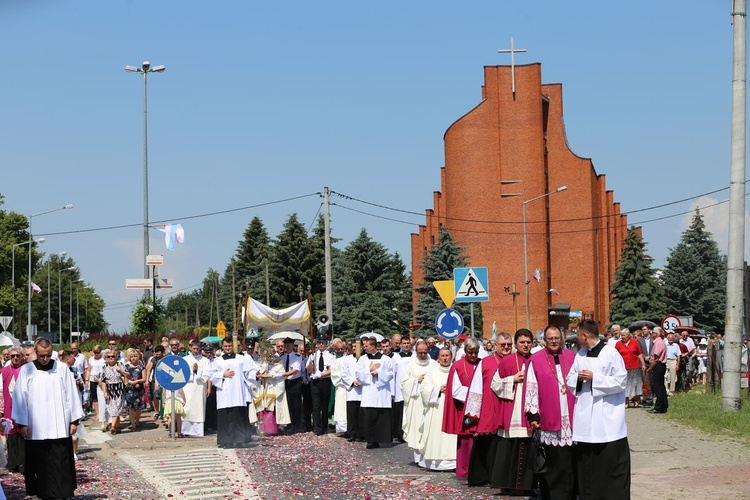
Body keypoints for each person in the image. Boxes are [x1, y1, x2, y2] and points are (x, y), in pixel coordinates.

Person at [12, 339, 85, 499]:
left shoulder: (62, 369)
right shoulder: (27, 371)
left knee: (60, 462)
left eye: (48, 355)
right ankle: (42, 492)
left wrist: (73, 421)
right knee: (40, 463)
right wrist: (23, 424)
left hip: (59, 426)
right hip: (36, 428)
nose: (45, 359)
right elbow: (20, 398)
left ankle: (62, 493)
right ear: (36, 353)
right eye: (42, 356)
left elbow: (71, 395)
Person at [566, 319, 630, 500]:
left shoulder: (610, 353)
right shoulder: (580, 354)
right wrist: (578, 378)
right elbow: (570, 378)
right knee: (588, 465)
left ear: (585, 335)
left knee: (608, 465)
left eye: (578, 335)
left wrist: (595, 378)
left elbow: (620, 381)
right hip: (585, 417)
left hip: (607, 417)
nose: (577, 338)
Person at [525, 326, 576, 500]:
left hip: (571, 416)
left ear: (561, 339)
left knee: (570, 460)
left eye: (556, 338)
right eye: (550, 338)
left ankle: (570, 494)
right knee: (554, 462)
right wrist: (533, 415)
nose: (554, 341)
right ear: (544, 341)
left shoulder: (571, 356)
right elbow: (531, 387)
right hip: (549, 416)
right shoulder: (536, 360)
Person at [490, 328, 535, 494]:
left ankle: (527, 486)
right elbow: (494, 385)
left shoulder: (536, 360)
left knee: (528, 451)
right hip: (512, 412)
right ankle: (507, 486)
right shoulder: (507, 361)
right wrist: (512, 379)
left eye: (528, 342)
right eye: (522, 342)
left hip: (529, 413)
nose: (525, 345)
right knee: (509, 450)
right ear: (516, 344)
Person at [464, 332, 511, 486]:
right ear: (496, 345)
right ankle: (482, 476)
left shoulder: (516, 361)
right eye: (503, 344)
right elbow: (477, 386)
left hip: (508, 408)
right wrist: (473, 411)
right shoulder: (485, 362)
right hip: (489, 408)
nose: (506, 347)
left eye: (509, 345)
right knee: (486, 444)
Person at [209, 338, 259, 448]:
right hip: (224, 392)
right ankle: (226, 441)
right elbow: (211, 375)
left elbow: (248, 371)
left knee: (238, 417)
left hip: (237, 391)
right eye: (225, 346)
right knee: (225, 417)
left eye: (229, 346)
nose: (227, 348)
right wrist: (222, 374)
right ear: (222, 346)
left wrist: (256, 374)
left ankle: (240, 439)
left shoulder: (241, 359)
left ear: (233, 346)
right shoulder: (217, 361)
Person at [442, 337, 480, 479]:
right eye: (471, 352)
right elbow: (456, 390)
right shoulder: (457, 366)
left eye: (476, 352)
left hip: (482, 409)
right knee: (465, 442)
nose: (474, 356)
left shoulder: (482, 364)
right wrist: (476, 395)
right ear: (465, 351)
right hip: (465, 409)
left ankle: (480, 472)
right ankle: (464, 471)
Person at [416, 347, 457, 470]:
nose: (445, 358)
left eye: (447, 356)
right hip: (436, 408)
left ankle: (454, 461)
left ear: (451, 357)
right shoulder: (432, 372)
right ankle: (434, 462)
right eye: (442, 356)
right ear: (438, 358)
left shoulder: (456, 370)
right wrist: (438, 389)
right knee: (436, 433)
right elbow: (424, 390)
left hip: (453, 409)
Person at [356, 336, 394, 449]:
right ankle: (370, 440)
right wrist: (369, 369)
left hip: (381, 391)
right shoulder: (363, 359)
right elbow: (358, 374)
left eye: (366, 346)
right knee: (369, 417)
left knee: (381, 416)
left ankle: (382, 439)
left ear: (373, 346)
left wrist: (379, 374)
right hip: (369, 392)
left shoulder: (386, 359)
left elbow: (391, 374)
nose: (364, 347)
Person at [401, 339, 436, 458]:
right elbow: (404, 384)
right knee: (417, 428)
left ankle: (428, 454)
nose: (423, 355)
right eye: (420, 353)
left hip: (430, 402)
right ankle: (417, 457)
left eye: (425, 352)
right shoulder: (410, 366)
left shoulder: (434, 364)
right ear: (416, 352)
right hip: (416, 402)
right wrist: (416, 381)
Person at [0, 346, 26, 472]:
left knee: (22, 436)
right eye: (13, 356)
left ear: (22, 357)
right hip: (9, 407)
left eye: (18, 356)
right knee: (11, 437)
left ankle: (23, 464)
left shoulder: (26, 370)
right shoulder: (4, 371)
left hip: (23, 407)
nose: (15, 358)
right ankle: (13, 463)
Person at [181, 339, 212, 437]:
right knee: (187, 407)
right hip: (188, 387)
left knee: (199, 408)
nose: (195, 351)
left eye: (197, 349)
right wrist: (192, 370)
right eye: (194, 348)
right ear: (190, 347)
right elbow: (182, 373)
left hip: (200, 387)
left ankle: (198, 431)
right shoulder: (185, 359)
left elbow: (208, 374)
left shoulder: (205, 360)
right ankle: (186, 430)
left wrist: (198, 371)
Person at [307, 337, 335, 435]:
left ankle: (324, 425)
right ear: (317, 345)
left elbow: (331, 370)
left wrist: (321, 374)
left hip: (325, 381)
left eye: (323, 343)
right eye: (319, 343)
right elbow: (308, 369)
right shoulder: (313, 355)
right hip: (315, 382)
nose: (321, 345)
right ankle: (317, 427)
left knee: (324, 405)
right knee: (316, 405)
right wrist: (310, 363)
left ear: (326, 344)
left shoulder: (331, 356)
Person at [614, 329, 646, 408]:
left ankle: (636, 401)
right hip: (623, 367)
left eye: (624, 335)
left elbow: (639, 354)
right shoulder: (618, 344)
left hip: (635, 366)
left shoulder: (634, 342)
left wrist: (643, 364)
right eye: (622, 335)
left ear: (628, 335)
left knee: (636, 384)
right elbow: (615, 356)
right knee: (626, 385)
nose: (622, 337)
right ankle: (626, 402)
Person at [100, 348, 127, 434]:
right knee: (112, 409)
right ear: (106, 358)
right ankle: (118, 427)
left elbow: (128, 374)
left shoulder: (120, 364)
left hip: (119, 389)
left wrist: (121, 371)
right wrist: (104, 392)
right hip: (110, 389)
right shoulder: (104, 368)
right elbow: (103, 381)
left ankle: (112, 426)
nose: (111, 358)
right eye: (109, 357)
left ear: (116, 357)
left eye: (113, 356)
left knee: (117, 408)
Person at [280, 338, 304, 433]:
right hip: (285, 382)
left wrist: (284, 374)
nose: (288, 347)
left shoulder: (297, 356)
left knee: (296, 405)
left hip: (294, 382)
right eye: (286, 345)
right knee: (287, 404)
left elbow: (296, 370)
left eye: (290, 345)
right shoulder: (281, 357)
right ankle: (288, 425)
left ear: (293, 346)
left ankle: (296, 425)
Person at [123, 347, 147, 431]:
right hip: (129, 390)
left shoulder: (141, 367)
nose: (133, 358)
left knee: (138, 407)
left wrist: (137, 381)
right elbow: (123, 378)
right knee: (131, 407)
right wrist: (131, 382)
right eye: (132, 356)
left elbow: (144, 379)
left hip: (139, 389)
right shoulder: (126, 367)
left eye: (135, 356)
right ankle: (133, 424)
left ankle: (137, 421)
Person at [329, 339, 348, 434]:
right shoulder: (336, 360)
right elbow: (334, 373)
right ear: (335, 349)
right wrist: (344, 379)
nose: (340, 351)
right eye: (338, 349)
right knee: (340, 409)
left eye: (342, 349)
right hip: (340, 387)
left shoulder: (350, 359)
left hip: (349, 388)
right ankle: (341, 428)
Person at [88, 345, 107, 430]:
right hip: (93, 379)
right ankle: (98, 414)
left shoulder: (103, 360)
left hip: (100, 380)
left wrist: (100, 380)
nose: (96, 354)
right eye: (95, 353)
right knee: (94, 398)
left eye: (98, 353)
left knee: (102, 398)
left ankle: (103, 414)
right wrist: (86, 379)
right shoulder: (91, 359)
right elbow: (89, 369)